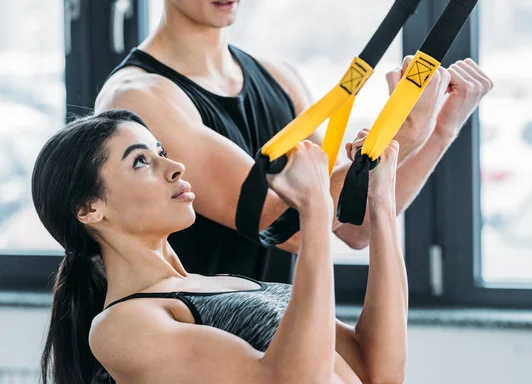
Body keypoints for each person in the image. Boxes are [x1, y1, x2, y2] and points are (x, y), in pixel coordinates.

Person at [95, 0, 493, 282]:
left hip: (272, 349)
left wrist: (441, 129)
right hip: (189, 354)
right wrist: (404, 133)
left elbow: (355, 224)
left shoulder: (280, 79)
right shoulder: (141, 98)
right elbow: (285, 228)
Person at [35, 110, 408, 384]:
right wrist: (314, 211)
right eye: (141, 161)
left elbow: (377, 371)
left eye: (161, 150)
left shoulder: (222, 284)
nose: (175, 166)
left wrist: (382, 202)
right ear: (89, 209)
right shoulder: (121, 326)